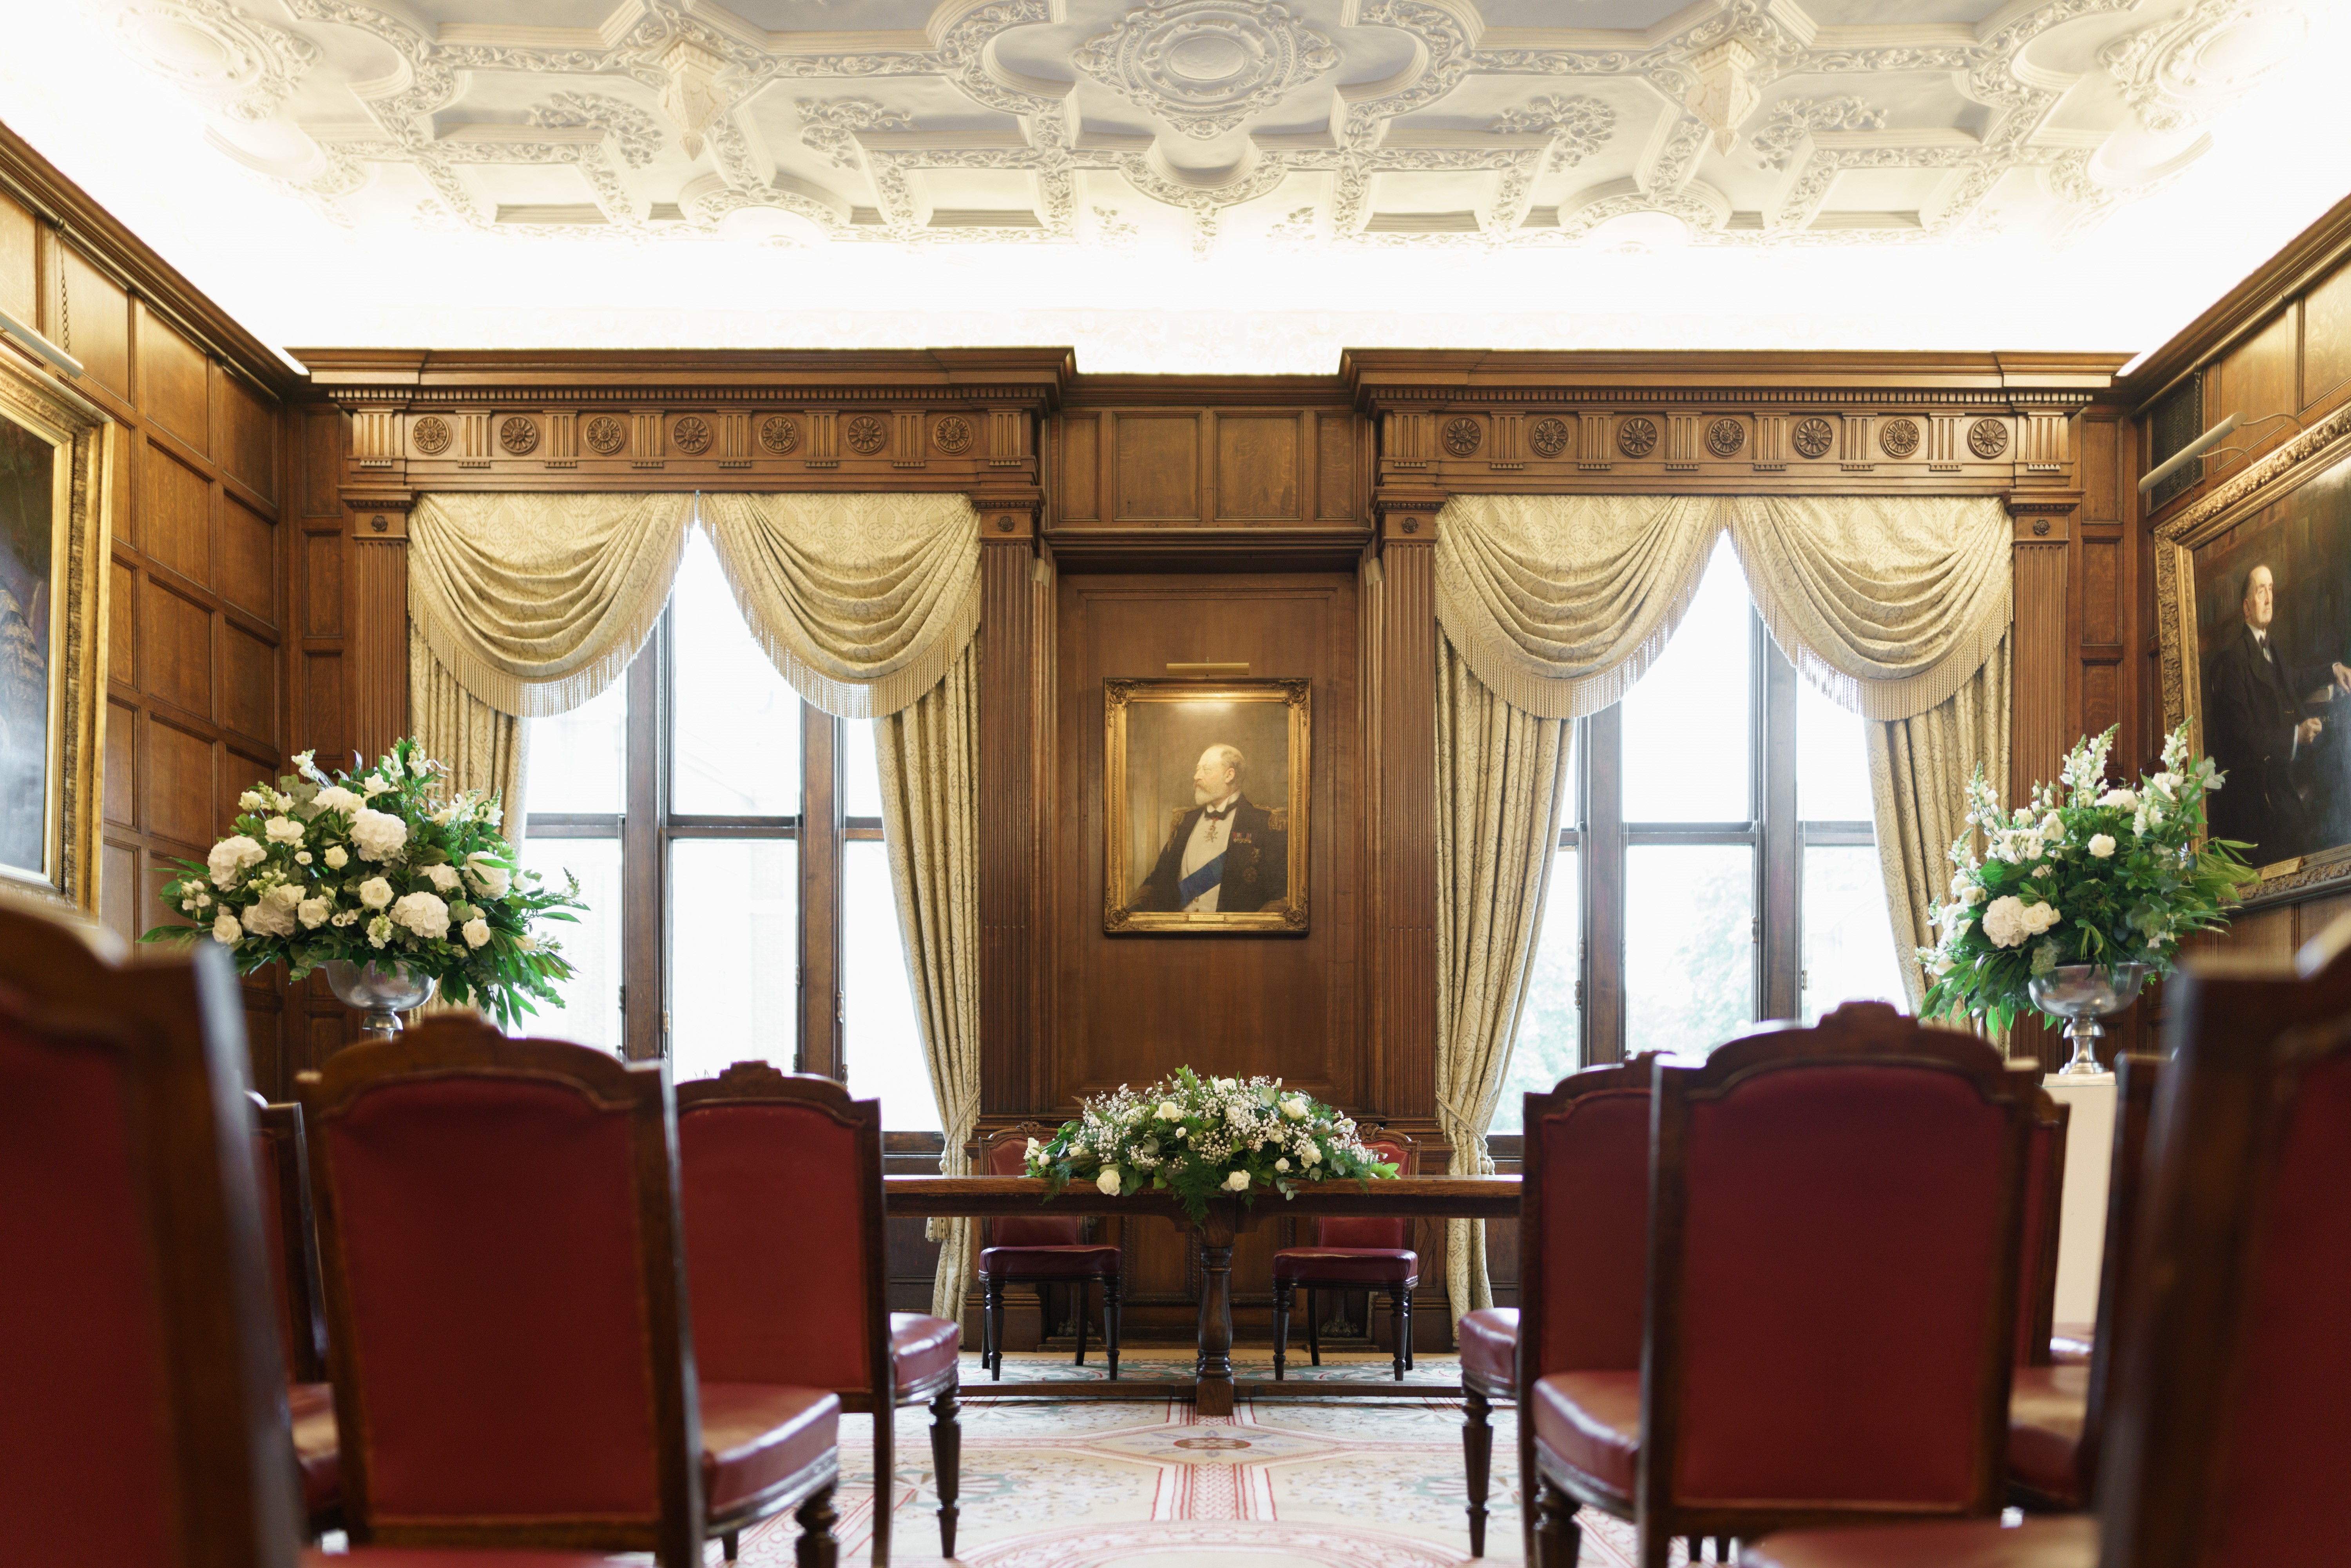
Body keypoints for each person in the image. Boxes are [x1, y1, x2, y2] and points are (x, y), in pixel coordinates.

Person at [2203, 563, 2351, 860]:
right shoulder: (2235, 661)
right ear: (2247, 607)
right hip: (2262, 783)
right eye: (2261, 591)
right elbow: (2242, 738)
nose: (2270, 598)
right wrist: (2295, 736)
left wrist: (2333, 669)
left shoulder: (2270, 647)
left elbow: (2294, 679)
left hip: (2286, 765)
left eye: (2271, 589)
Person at [1131, 743, 1288, 914]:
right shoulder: (1184, 822)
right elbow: (1159, 881)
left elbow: (1279, 896)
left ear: (1230, 775)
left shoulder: (1265, 824)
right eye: (1197, 770)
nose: (1197, 776)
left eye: (1206, 770)